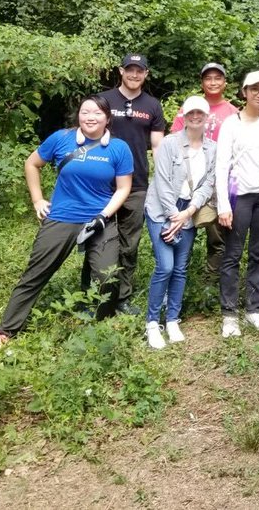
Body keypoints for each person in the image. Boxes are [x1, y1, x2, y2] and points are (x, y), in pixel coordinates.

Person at [0, 96, 133, 345]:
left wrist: (103, 216)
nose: (91, 117)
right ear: (78, 116)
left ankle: (101, 326)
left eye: (98, 113)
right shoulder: (61, 139)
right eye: (85, 112)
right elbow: (32, 163)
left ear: (107, 118)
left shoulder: (119, 148)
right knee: (36, 273)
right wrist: (37, 200)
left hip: (100, 219)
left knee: (107, 277)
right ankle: (6, 330)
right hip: (62, 217)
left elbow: (123, 188)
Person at [215, 71, 259, 337]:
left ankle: (254, 309)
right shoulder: (231, 124)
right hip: (239, 197)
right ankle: (229, 314)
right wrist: (223, 204)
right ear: (244, 91)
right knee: (233, 254)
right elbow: (221, 165)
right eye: (254, 89)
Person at [144, 95, 217, 349]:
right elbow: (162, 182)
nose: (195, 118)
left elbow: (208, 183)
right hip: (160, 210)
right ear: (183, 116)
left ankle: (172, 318)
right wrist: (173, 215)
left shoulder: (212, 148)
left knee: (180, 267)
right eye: (190, 114)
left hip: (188, 210)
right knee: (165, 266)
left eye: (200, 114)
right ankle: (152, 322)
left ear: (207, 117)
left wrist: (188, 213)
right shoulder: (169, 143)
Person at [96, 53, 165, 314]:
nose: (134, 75)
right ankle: (97, 294)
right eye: (130, 70)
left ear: (146, 74)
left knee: (129, 243)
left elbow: (157, 144)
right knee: (98, 238)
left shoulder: (152, 105)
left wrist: (160, 178)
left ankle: (122, 297)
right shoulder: (104, 100)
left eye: (140, 71)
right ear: (121, 71)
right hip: (103, 182)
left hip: (136, 184)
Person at [168, 62, 237, 297]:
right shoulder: (191, 108)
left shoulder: (231, 112)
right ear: (202, 83)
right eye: (208, 78)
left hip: (217, 182)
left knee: (217, 236)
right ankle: (178, 280)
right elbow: (174, 140)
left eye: (218, 78)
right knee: (180, 231)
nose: (213, 82)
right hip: (185, 182)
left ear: (225, 83)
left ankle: (210, 282)